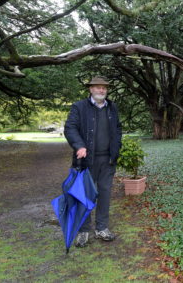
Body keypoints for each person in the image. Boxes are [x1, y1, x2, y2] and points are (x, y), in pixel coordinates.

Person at [64, 76, 122, 248]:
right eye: (97, 87)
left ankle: (102, 228)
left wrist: (116, 147)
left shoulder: (112, 108)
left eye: (104, 88)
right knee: (84, 195)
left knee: (104, 193)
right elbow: (70, 128)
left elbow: (117, 129)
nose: (101, 90)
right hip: (85, 161)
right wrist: (79, 145)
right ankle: (83, 231)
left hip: (108, 160)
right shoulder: (79, 107)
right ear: (90, 89)